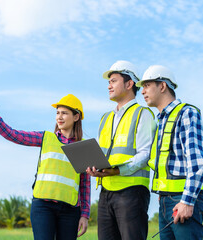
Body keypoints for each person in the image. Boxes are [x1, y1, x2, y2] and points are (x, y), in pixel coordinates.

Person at [0, 93, 90, 240]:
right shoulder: (46, 138)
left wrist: (85, 215)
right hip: (43, 208)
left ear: (76, 117)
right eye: (57, 113)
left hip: (70, 211)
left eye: (64, 113)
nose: (59, 117)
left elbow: (85, 184)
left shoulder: (83, 148)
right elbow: (13, 134)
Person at [86, 60, 156, 240]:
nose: (109, 86)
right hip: (106, 193)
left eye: (113, 81)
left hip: (132, 193)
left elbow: (146, 153)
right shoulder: (105, 118)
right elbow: (102, 153)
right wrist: (94, 167)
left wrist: (117, 170)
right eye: (109, 82)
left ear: (129, 83)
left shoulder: (143, 114)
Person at [136, 65, 203, 240]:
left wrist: (187, 201)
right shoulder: (160, 121)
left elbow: (196, 163)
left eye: (147, 86)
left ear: (162, 86)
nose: (143, 92)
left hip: (183, 200)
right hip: (165, 201)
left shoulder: (186, 113)